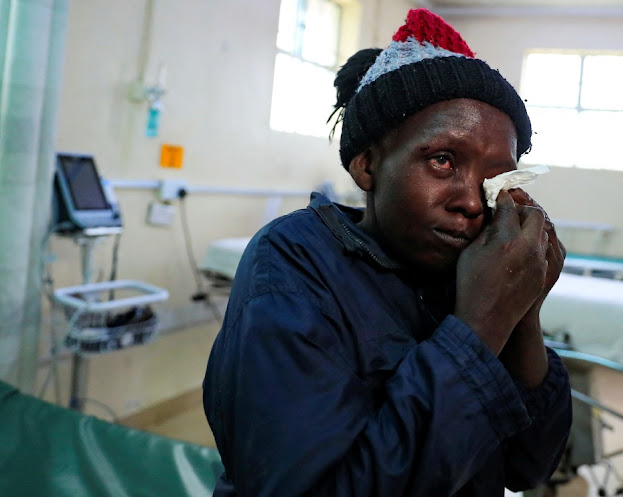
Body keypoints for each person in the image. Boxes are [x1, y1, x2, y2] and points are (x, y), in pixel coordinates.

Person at [203, 8, 572, 497]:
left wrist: (522, 305)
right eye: (443, 160)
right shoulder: (294, 262)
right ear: (367, 165)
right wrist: (479, 326)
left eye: (494, 178)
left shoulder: (463, 266)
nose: (470, 199)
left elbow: (528, 466)